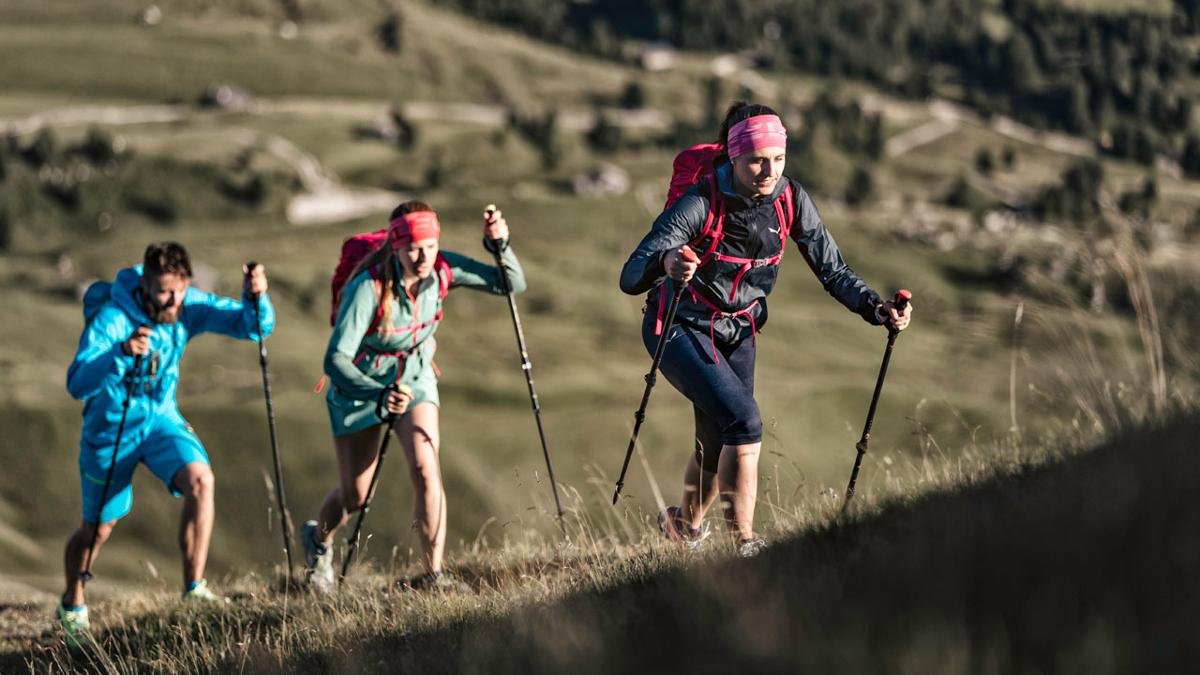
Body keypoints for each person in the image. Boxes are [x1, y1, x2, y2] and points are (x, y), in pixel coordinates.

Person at [619, 102, 913, 557]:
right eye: (757, 159)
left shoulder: (790, 199)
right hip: (679, 323)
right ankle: (746, 548)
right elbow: (631, 272)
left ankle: (683, 529)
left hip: (739, 330)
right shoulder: (700, 201)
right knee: (744, 421)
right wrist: (666, 260)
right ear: (733, 157)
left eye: (777, 159)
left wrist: (877, 309)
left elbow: (832, 270)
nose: (768, 171)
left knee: (717, 438)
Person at [302, 200, 526, 593]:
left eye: (430, 246)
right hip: (359, 389)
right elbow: (335, 359)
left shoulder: (441, 269)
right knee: (356, 496)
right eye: (413, 249)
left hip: (416, 379)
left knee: (425, 465)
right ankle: (318, 542)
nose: (423, 257)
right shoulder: (367, 288)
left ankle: (433, 575)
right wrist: (377, 391)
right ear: (395, 246)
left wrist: (500, 245)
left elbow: (510, 284)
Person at [59, 242, 273, 645]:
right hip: (109, 429)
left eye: (178, 289)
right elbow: (77, 381)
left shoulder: (187, 304)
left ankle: (194, 589)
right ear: (144, 285)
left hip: (159, 419)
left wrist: (255, 295)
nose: (171, 300)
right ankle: (73, 603)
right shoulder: (114, 318)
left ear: (187, 283)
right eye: (162, 291)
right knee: (98, 530)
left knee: (201, 480)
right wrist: (121, 353)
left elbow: (250, 325)